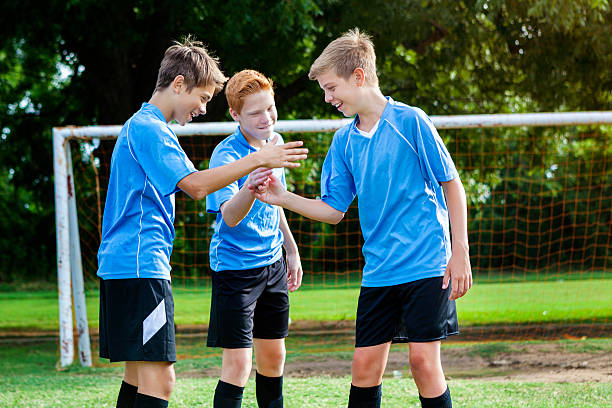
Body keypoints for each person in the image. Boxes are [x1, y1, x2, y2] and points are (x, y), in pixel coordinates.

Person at [251, 29, 472, 408]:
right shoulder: (344, 142)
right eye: (324, 90)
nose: (328, 98)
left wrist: (460, 252)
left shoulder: (411, 121)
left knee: (423, 362)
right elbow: (334, 211)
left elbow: (453, 186)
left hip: (426, 263)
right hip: (380, 271)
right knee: (364, 366)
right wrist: (282, 197)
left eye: (331, 87)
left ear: (358, 76)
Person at [96, 38, 307, 408]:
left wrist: (289, 246)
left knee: (136, 376)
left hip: (128, 266)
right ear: (179, 84)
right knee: (160, 381)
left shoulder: (144, 126)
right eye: (204, 98)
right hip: (139, 266)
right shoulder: (149, 129)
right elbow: (195, 186)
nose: (203, 108)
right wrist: (259, 160)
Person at [205, 69, 303, 408]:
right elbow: (229, 217)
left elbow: (276, 204)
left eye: (270, 108)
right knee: (239, 366)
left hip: (272, 264)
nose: (266, 118)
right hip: (235, 271)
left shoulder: (275, 143)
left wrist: (291, 249)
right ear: (235, 115)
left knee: (274, 357)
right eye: (255, 112)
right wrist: (250, 182)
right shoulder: (226, 156)